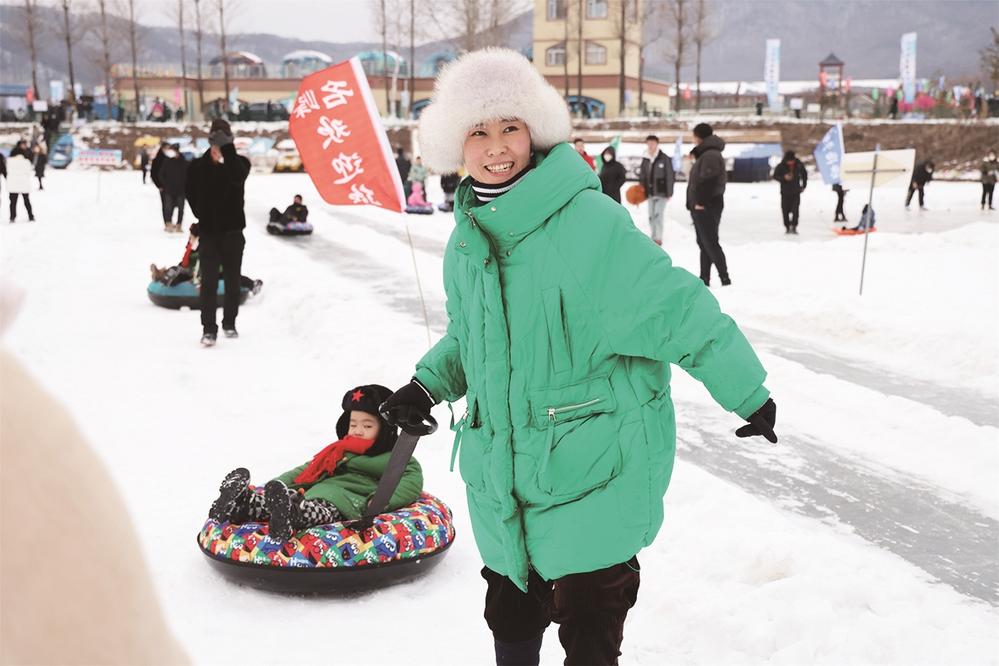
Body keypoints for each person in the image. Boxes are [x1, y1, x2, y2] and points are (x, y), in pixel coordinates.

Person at [378, 48, 777, 666]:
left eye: (509, 127)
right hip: (504, 469)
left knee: (591, 629)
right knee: (510, 615)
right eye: (477, 132)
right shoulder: (467, 239)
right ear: (455, 148)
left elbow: (673, 307)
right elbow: (470, 337)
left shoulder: (585, 221)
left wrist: (746, 391)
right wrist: (424, 387)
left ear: (534, 131)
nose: (496, 146)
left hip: (594, 462)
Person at [207, 385, 423, 542]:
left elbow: (411, 482)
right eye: (353, 424)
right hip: (315, 494)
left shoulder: (396, 458)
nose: (357, 430)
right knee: (285, 503)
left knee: (317, 510)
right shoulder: (340, 450)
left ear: (385, 430)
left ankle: (293, 514)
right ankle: (242, 503)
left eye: (367, 426)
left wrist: (379, 502)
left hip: (348, 503)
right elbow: (308, 471)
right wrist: (277, 483)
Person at [185, 118, 250, 347]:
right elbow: (191, 192)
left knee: (233, 282)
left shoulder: (240, 163)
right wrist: (202, 214)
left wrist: (228, 153)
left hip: (233, 233)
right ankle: (208, 328)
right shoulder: (198, 166)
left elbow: (238, 177)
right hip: (210, 233)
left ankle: (229, 323)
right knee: (209, 283)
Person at [150, 222, 262, 293]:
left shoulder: (207, 245)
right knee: (177, 269)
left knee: (233, 277)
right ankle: (161, 275)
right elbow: (185, 262)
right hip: (195, 271)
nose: (189, 238)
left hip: (214, 271)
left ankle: (252, 285)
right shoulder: (193, 246)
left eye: (191, 236)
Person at [686, 123, 730, 287]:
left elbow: (709, 181)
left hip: (707, 204)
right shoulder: (706, 154)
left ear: (699, 137)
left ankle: (724, 278)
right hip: (703, 204)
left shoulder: (711, 155)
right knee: (704, 242)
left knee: (710, 242)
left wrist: (701, 202)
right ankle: (704, 277)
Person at [639, 134, 675, 245]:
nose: (650, 145)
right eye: (648, 143)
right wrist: (641, 187)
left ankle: (658, 237)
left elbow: (670, 175)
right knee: (651, 215)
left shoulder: (664, 158)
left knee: (658, 214)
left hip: (662, 192)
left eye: (652, 143)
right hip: (650, 192)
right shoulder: (645, 158)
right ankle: (653, 236)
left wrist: (669, 192)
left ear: (657, 144)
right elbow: (642, 174)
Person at [153, 143, 188, 233]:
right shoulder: (167, 161)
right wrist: (164, 185)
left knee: (181, 208)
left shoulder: (184, 162)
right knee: (168, 207)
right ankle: (168, 224)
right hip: (168, 190)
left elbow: (189, 176)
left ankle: (179, 225)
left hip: (181, 190)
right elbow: (160, 174)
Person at [772, 150, 807, 233]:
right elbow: (775, 176)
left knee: (795, 210)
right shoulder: (781, 166)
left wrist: (804, 185)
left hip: (796, 191)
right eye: (789, 161)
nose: (791, 163)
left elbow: (804, 175)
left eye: (792, 161)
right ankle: (787, 226)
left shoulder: (799, 165)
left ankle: (794, 226)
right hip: (785, 192)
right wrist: (784, 178)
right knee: (785, 210)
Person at [7, 141, 35, 223]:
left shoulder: (10, 161)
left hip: (14, 183)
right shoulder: (26, 160)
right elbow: (29, 171)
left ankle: (13, 217)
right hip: (22, 183)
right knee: (24, 201)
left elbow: (7, 170)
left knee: (14, 202)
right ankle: (30, 216)